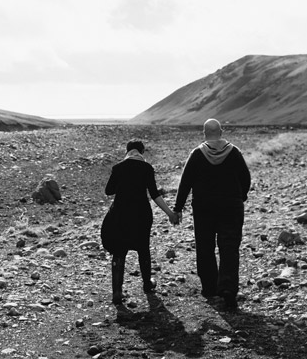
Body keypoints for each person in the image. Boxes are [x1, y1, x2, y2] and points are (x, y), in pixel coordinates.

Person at [173, 119, 251, 310]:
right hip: (231, 207)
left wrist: (177, 208)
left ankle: (209, 288)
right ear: (221, 131)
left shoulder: (197, 154)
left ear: (204, 133)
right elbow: (246, 178)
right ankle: (228, 290)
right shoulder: (234, 152)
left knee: (205, 246)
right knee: (229, 247)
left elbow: (185, 183)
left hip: (204, 208)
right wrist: (241, 196)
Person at [102, 139, 179, 305]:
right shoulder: (147, 168)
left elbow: (109, 191)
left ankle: (117, 291)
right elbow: (154, 194)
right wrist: (170, 213)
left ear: (127, 151)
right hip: (141, 214)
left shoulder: (118, 167)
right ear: (142, 152)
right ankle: (147, 284)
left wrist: (123, 184)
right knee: (143, 248)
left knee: (119, 250)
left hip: (120, 213)